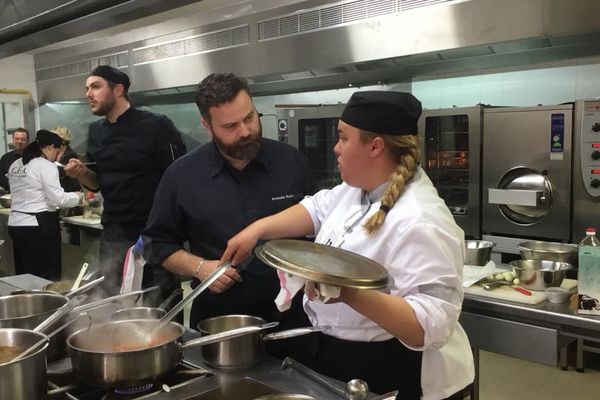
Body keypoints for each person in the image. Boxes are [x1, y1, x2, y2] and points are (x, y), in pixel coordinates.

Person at [222, 91, 474, 399]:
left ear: (375, 146)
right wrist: (257, 229)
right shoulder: (355, 190)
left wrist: (345, 292)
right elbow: (316, 208)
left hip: (389, 366)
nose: (336, 148)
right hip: (336, 352)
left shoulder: (421, 219)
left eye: (343, 138)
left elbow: (430, 325)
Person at [142, 73, 316, 336]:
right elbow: (157, 244)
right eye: (230, 126)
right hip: (221, 323)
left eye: (249, 118)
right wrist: (201, 268)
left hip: (295, 319)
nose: (245, 132)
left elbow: (320, 228)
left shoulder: (291, 161)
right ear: (207, 126)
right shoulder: (182, 175)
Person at [64, 65, 187, 301]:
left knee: (160, 302)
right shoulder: (96, 131)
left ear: (118, 89)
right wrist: (81, 174)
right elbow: (96, 182)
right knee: (112, 301)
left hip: (153, 234)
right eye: (87, 88)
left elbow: (179, 180)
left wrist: (169, 228)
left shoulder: (156, 125)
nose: (88, 94)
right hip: (113, 233)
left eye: (95, 87)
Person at [7, 129, 82, 280]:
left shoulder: (15, 164)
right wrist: (78, 197)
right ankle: (49, 302)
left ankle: (27, 301)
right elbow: (58, 199)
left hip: (16, 224)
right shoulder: (46, 166)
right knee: (47, 275)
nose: (56, 156)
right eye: (57, 151)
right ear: (50, 147)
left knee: (25, 274)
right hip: (39, 226)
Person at [50, 126, 81, 192]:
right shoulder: (53, 153)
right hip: (57, 192)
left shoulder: (71, 156)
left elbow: (67, 176)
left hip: (70, 192)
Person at [0, 127, 29, 191]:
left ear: (27, 141)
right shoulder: (5, 158)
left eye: (23, 139)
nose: (19, 141)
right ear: (13, 140)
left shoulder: (35, 158)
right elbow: (1, 178)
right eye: (17, 139)